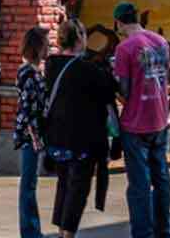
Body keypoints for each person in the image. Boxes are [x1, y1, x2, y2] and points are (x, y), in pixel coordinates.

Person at [44, 19, 119, 238]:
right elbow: (110, 89)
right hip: (82, 141)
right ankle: (68, 234)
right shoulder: (87, 69)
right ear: (79, 39)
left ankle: (61, 232)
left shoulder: (51, 66)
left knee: (64, 184)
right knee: (78, 188)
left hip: (56, 138)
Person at [112, 1, 170, 238]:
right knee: (161, 178)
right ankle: (164, 231)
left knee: (139, 184)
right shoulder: (161, 42)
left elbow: (124, 91)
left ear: (118, 22)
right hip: (159, 118)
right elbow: (165, 75)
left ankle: (143, 234)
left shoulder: (124, 48)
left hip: (135, 123)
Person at [15, 26, 50, 238]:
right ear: (37, 47)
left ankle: (32, 230)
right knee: (28, 184)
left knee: (30, 183)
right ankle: (30, 231)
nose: (49, 48)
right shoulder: (30, 74)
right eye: (46, 44)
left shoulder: (30, 71)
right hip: (31, 136)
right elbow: (28, 109)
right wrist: (36, 138)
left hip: (31, 134)